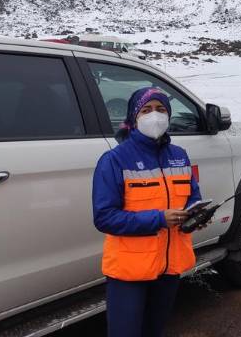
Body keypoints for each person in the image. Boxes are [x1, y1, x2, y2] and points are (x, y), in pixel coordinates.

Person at [92, 87, 205, 337]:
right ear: (134, 117)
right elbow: (104, 217)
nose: (155, 116)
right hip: (129, 270)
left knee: (155, 330)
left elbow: (192, 196)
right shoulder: (114, 160)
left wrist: (195, 216)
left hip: (169, 265)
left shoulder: (179, 156)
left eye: (161, 109)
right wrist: (159, 218)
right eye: (146, 110)